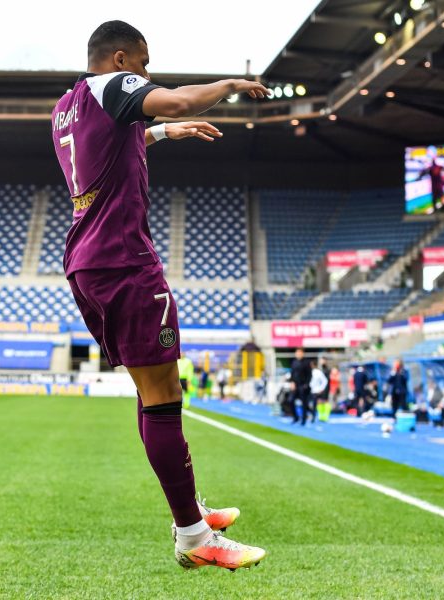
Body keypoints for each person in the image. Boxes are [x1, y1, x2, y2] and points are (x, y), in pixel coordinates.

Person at [51, 21, 268, 570]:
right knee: (164, 394)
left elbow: (126, 139)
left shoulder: (67, 109)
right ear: (121, 59)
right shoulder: (114, 86)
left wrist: (169, 133)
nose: (146, 75)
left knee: (152, 391)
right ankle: (195, 538)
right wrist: (229, 84)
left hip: (87, 262)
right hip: (124, 260)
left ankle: (189, 511)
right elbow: (174, 100)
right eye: (143, 64)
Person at [290, 348, 312, 425]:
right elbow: (292, 374)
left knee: (304, 403)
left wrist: (306, 384)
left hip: (303, 386)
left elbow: (309, 375)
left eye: (299, 353)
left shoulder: (306, 363)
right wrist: (292, 382)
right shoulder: (294, 362)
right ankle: (295, 417)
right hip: (295, 385)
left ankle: (304, 419)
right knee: (291, 400)